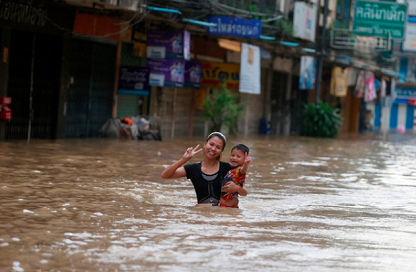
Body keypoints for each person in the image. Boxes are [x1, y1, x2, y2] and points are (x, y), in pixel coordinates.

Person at [160, 132, 247, 206]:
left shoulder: (228, 168)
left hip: (222, 214)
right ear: (205, 144)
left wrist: (237, 188)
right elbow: (165, 175)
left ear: (221, 151)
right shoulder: (193, 169)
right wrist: (183, 160)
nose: (213, 149)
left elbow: (244, 192)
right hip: (202, 214)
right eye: (211, 144)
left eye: (218, 147)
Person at [219, 144, 251, 208]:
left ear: (244, 159)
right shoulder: (230, 169)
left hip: (231, 206)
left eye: (238, 156)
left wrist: (246, 164)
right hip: (222, 204)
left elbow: (243, 170)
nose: (234, 158)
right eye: (232, 155)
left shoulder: (239, 170)